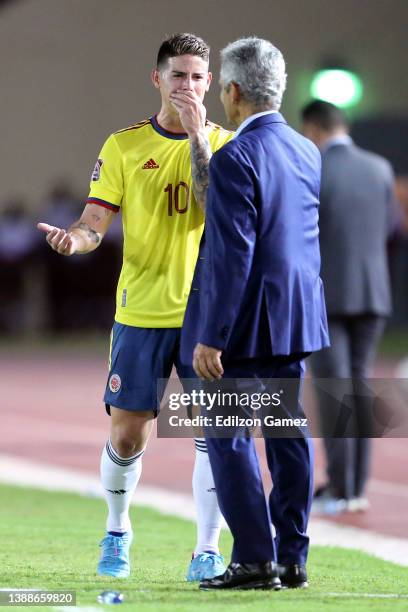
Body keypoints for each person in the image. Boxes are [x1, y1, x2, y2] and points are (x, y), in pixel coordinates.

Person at [37, 33, 231, 581]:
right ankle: (118, 531)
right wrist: (73, 242)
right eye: (177, 75)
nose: (187, 86)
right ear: (157, 79)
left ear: (210, 82)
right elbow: (94, 223)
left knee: (214, 434)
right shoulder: (122, 146)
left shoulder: (225, 141)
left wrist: (197, 136)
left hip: (206, 317)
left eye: (197, 76)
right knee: (128, 434)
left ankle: (207, 550)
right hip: (141, 312)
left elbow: (217, 206)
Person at [181, 37, 329, 590]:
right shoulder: (306, 150)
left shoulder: (235, 157)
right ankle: (292, 558)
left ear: (234, 91)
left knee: (229, 437)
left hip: (244, 325)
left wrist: (212, 336)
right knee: (289, 434)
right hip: (296, 316)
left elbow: (232, 253)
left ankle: (253, 559)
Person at [301, 100, 397, 514]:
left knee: (334, 390)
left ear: (313, 129)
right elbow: (392, 226)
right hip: (373, 293)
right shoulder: (379, 168)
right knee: (358, 386)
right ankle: (356, 485)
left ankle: (340, 487)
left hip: (329, 295)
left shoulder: (316, 167)